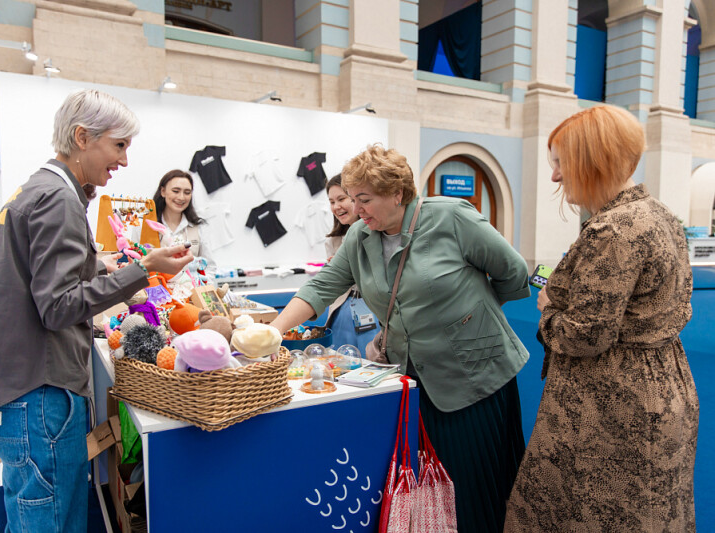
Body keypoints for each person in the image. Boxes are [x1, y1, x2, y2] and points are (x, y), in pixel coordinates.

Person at [270, 144, 531, 532]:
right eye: (352, 199)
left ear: (398, 193)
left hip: (475, 379)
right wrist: (271, 331)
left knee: (475, 488)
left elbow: (513, 272)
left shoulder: (449, 217)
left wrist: (472, 315)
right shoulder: (360, 236)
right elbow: (322, 287)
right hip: (415, 381)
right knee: (434, 489)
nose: (356, 209)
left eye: (365, 199)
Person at [0, 89, 193, 533]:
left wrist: (99, 263)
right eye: (119, 146)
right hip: (40, 393)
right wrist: (143, 269)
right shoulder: (57, 199)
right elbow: (58, 307)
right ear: (82, 137)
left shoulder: (40, 189)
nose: (125, 161)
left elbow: (42, 280)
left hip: (21, 394)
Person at [504, 105, 699, 532]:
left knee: (594, 514)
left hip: (609, 406)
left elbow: (585, 336)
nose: (555, 176)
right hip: (662, 386)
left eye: (560, 163)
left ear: (592, 160)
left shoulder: (613, 230)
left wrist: (549, 310)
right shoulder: (660, 215)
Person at [323, 174, 378, 349]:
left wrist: (349, 265)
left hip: (373, 315)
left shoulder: (378, 233)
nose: (336, 206)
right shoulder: (333, 241)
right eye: (332, 202)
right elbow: (328, 285)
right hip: (342, 314)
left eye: (341, 199)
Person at [152, 169, 215, 270]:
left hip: (192, 285)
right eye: (176, 191)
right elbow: (138, 263)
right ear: (163, 191)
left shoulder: (199, 227)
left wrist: (203, 285)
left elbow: (209, 266)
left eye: (187, 192)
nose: (181, 197)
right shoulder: (146, 226)